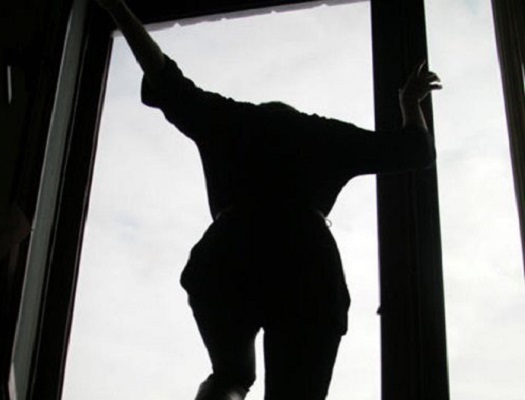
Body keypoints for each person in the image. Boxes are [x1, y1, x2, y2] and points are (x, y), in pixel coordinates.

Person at [95, 1, 442, 399]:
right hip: (308, 264)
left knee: (230, 376)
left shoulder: (228, 121)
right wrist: (409, 103)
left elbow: (162, 73)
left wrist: (118, 8)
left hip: (227, 255)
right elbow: (415, 151)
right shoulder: (326, 138)